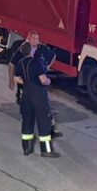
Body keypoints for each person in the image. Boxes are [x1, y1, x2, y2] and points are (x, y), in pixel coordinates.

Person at [18, 30, 59, 158]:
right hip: (39, 96)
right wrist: (49, 81)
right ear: (31, 50)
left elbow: (17, 78)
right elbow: (43, 80)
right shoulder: (36, 62)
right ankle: (46, 151)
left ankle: (27, 148)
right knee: (44, 122)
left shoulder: (21, 63)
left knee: (27, 121)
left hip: (26, 95)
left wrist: (27, 82)